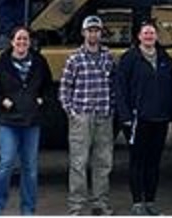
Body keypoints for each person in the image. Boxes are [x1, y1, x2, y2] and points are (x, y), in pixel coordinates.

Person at [0, 25, 53, 217]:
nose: (22, 42)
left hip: (31, 121)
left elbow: (48, 86)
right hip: (8, 121)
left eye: (25, 39)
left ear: (30, 42)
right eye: (18, 39)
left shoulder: (39, 62)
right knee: (6, 162)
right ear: (12, 42)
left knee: (30, 168)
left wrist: (41, 99)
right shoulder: (1, 63)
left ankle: (28, 209)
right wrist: (1, 101)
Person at [114, 19, 172, 216]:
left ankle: (150, 201)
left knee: (153, 162)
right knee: (137, 161)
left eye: (152, 33)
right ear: (138, 36)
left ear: (156, 36)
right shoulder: (129, 58)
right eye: (145, 33)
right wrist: (125, 115)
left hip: (160, 118)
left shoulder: (164, 58)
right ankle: (137, 203)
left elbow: (171, 88)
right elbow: (120, 89)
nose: (149, 36)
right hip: (137, 119)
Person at [59, 15, 116, 216]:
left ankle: (100, 204)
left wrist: (112, 108)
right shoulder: (74, 58)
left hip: (103, 115)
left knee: (103, 162)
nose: (93, 33)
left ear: (101, 33)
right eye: (90, 30)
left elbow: (113, 85)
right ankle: (76, 207)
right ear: (83, 33)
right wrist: (71, 111)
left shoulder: (108, 57)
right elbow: (65, 87)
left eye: (97, 30)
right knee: (78, 163)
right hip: (81, 116)